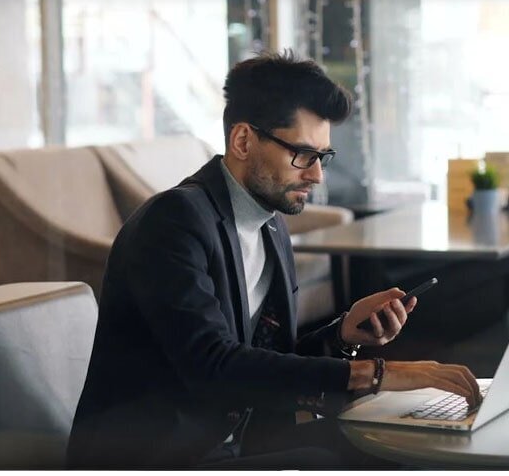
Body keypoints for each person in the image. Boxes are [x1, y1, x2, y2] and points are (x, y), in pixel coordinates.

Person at [66, 50, 481, 469]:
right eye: (302, 154)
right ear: (243, 140)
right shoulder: (173, 221)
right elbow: (211, 366)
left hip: (234, 444)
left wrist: (343, 336)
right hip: (155, 457)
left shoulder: (270, 224)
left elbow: (265, 358)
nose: (317, 175)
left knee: (398, 446)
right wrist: (376, 375)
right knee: (333, 459)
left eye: (323, 157)